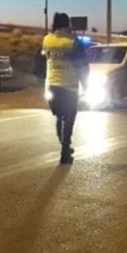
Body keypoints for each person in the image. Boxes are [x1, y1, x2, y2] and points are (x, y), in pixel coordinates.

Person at [42, 12, 89, 164]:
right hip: (69, 85)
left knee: (59, 117)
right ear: (67, 24)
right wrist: (85, 84)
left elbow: (44, 58)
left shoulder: (47, 39)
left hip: (52, 84)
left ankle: (64, 146)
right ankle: (65, 151)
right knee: (68, 119)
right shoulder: (74, 42)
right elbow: (82, 66)